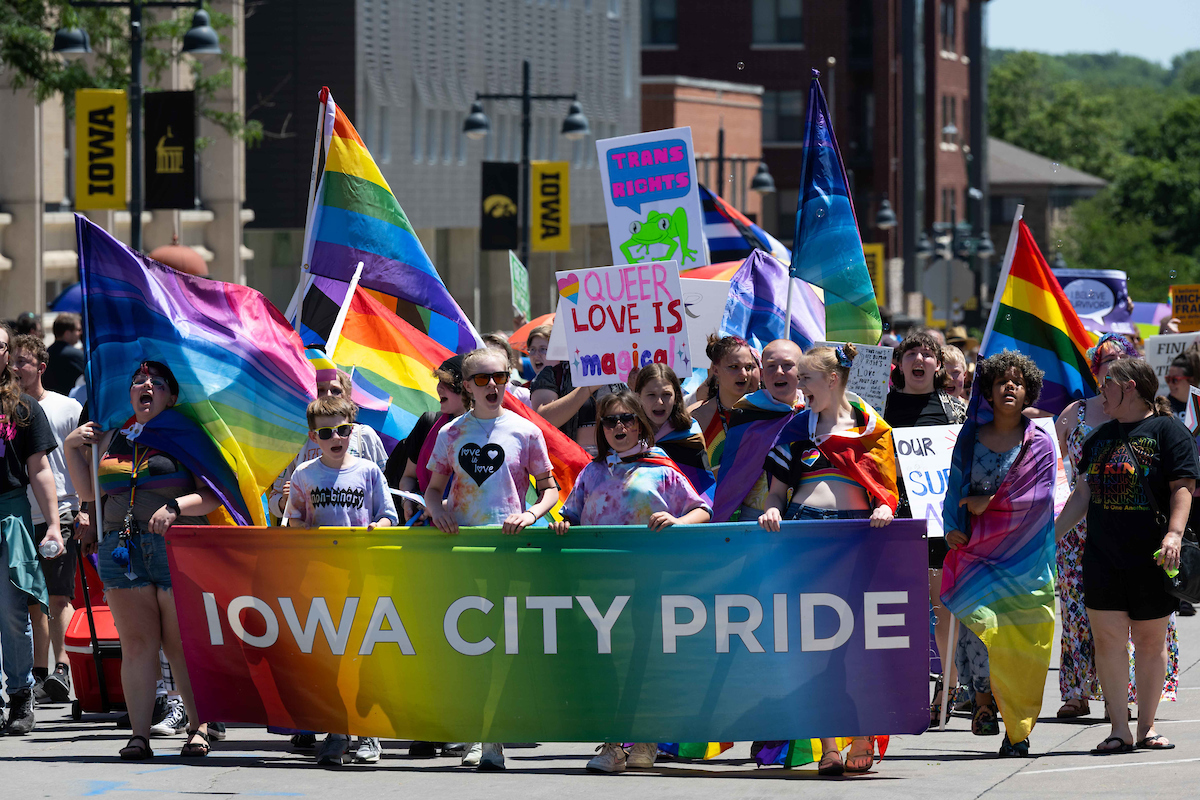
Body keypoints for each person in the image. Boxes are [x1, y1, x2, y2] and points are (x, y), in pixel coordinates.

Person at [63, 361, 220, 759]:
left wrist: (176, 505)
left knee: (179, 643)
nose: (145, 386)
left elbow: (215, 493)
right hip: (121, 549)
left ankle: (198, 728)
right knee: (136, 644)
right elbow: (91, 495)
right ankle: (139, 736)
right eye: (138, 382)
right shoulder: (113, 436)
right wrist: (71, 449)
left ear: (171, 396)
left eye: (156, 383)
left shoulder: (188, 436)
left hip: (175, 547)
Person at [550, 392, 711, 774]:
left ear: (640, 422)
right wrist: (562, 524)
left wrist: (678, 522)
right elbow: (570, 514)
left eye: (626, 419)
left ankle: (642, 739)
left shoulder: (662, 468)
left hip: (649, 581)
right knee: (607, 662)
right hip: (599, 583)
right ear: (601, 429)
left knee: (643, 661)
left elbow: (702, 509)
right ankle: (614, 743)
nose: (619, 427)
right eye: (609, 421)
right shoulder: (591, 472)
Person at [757, 344, 898, 775]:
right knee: (814, 645)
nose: (799, 386)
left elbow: (888, 489)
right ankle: (828, 744)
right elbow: (777, 489)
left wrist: (884, 508)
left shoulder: (873, 430)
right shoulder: (796, 429)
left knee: (855, 643)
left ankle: (860, 735)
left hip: (857, 536)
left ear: (832, 380)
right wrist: (773, 507)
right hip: (805, 536)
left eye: (806, 379)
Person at [425, 347, 559, 772]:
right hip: (463, 552)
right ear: (466, 386)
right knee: (468, 644)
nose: (494, 385)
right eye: (482, 379)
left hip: (510, 551)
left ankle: (493, 737)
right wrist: (439, 510)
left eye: (500, 376)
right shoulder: (450, 434)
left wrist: (532, 513)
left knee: (503, 645)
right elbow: (432, 489)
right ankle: (474, 730)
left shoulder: (526, 430)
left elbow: (550, 488)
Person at [1055, 357, 1198, 754]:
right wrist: (1050, 538)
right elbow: (1082, 494)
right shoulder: (1099, 438)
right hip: (1102, 556)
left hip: (1153, 557)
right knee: (1109, 641)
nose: (1101, 393)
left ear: (1130, 386)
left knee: (1151, 642)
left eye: (1107, 385)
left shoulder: (1169, 431)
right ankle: (1119, 728)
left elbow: (1181, 487)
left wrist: (1174, 533)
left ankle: (1146, 726)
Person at [943, 351, 1056, 757]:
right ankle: (984, 702)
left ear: (1029, 390)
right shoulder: (970, 438)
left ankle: (1017, 730)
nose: (1009, 387)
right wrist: (951, 528)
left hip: (1024, 564)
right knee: (978, 631)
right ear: (988, 391)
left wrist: (987, 503)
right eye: (1000, 381)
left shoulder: (1040, 442)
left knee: (1020, 644)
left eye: (1017, 382)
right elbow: (954, 488)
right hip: (976, 555)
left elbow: (1040, 499)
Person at [282, 395, 398, 766]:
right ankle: (336, 730)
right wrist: (305, 531)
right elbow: (294, 520)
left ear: (353, 430)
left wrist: (375, 527)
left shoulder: (368, 471)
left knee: (363, 652)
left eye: (343, 430)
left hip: (362, 574)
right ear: (314, 437)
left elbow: (388, 516)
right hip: (322, 576)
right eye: (327, 432)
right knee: (330, 655)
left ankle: (369, 733)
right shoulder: (304, 475)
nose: (336, 437)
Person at [883, 331, 968, 725]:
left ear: (938, 364)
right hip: (891, 517)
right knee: (897, 607)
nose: (920, 359)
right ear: (898, 365)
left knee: (941, 605)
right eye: (911, 354)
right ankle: (901, 684)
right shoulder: (877, 407)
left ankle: (946, 684)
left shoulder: (955, 408)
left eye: (928, 354)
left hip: (938, 520)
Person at [0, 323, 66, 736]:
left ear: (6, 353)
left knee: (11, 612)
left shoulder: (22, 407)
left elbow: (39, 470)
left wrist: (55, 526)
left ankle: (21, 694)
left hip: (9, 514)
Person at [11, 334, 82, 704]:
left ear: (41, 366)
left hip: (64, 510)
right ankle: (41, 674)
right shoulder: (11, 408)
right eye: (13, 360)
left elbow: (84, 463)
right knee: (31, 600)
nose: (16, 367)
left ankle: (63, 666)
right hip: (21, 513)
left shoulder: (68, 407)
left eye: (23, 361)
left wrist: (84, 508)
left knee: (57, 596)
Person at [269, 354, 387, 520]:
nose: (328, 395)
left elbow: (384, 493)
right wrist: (286, 501)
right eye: (320, 389)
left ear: (347, 398)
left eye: (336, 390)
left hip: (358, 538)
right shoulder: (294, 440)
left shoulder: (364, 436)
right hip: (312, 540)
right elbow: (274, 501)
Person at [711, 339, 806, 522]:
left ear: (801, 371)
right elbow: (733, 475)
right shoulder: (747, 411)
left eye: (787, 365)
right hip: (754, 518)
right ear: (761, 374)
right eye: (771, 366)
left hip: (802, 515)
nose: (779, 372)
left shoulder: (814, 411)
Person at [387, 355, 466, 527]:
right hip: (428, 528)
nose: (438, 388)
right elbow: (409, 476)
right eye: (439, 382)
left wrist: (437, 508)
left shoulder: (487, 431)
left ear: (465, 387)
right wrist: (407, 503)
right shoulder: (429, 423)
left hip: (472, 529)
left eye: (446, 383)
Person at [633, 363, 714, 498]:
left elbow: (705, 489)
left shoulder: (690, 435)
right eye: (651, 395)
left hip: (682, 515)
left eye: (666, 394)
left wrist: (685, 519)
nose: (659, 402)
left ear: (676, 397)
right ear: (638, 397)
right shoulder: (627, 434)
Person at [688, 335, 760, 477]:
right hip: (712, 497)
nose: (744, 374)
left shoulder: (765, 412)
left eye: (748, 367)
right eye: (734, 367)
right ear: (715, 370)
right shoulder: (698, 417)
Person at [482, 332, 532, 407]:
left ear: (509, 364)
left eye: (500, 358)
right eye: (487, 357)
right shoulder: (470, 396)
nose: (494, 363)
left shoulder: (524, 397)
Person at [43, 313, 86, 396]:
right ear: (67, 334)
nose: (80, 333)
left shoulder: (46, 353)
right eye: (77, 330)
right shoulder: (76, 355)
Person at [1164, 348, 1200, 420]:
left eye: (1175, 380)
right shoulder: (1163, 409)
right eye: (1168, 379)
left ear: (1191, 380)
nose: (1170, 384)